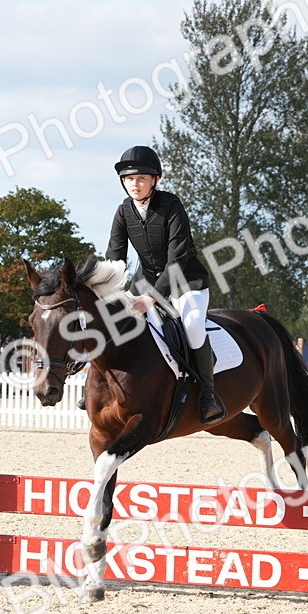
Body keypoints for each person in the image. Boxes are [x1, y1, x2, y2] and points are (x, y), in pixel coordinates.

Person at [102, 145, 226, 423]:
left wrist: (151, 299)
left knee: (193, 325)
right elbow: (114, 258)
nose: (135, 184)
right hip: (144, 281)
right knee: (113, 321)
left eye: (141, 178)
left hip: (187, 282)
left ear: (155, 180)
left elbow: (177, 260)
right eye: (129, 179)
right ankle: (100, 387)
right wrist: (106, 291)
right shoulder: (123, 211)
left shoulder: (171, 206)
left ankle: (207, 393)